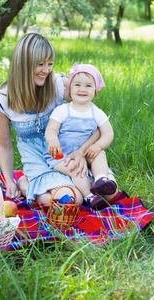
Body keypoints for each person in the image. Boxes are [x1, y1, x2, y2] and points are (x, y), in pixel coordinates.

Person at [0, 33, 117, 207]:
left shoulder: (58, 85)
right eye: (40, 64)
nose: (47, 70)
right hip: (36, 159)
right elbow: (4, 145)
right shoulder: (2, 100)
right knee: (72, 200)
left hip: (67, 152)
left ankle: (66, 185)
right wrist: (9, 180)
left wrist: (81, 151)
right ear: (24, 65)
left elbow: (93, 121)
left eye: (50, 64)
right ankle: (26, 185)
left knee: (109, 194)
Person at [44, 63, 118, 208]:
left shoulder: (96, 112)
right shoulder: (63, 110)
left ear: (96, 91)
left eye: (88, 86)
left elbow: (108, 132)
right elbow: (51, 129)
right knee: (75, 168)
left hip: (86, 153)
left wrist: (98, 145)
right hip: (62, 155)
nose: (82, 89)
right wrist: (53, 140)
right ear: (70, 88)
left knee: (100, 154)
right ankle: (89, 197)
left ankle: (101, 180)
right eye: (77, 84)